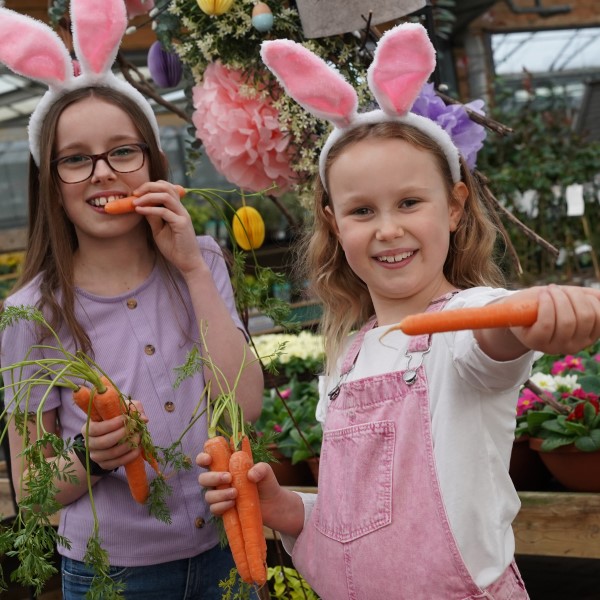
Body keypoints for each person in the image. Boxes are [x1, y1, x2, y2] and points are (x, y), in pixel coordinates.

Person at [197, 23, 600, 600]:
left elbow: (503, 330)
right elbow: (357, 523)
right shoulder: (352, 349)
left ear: (456, 206)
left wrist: (544, 311)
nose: (388, 229)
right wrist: (285, 508)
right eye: (362, 210)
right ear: (335, 225)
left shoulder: (468, 322)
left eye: (410, 202)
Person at [0, 1, 263, 599]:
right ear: (51, 182)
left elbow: (245, 405)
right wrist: (90, 457)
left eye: (123, 151)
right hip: (111, 576)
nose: (102, 173)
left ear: (152, 162)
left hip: (227, 547)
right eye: (75, 159)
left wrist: (193, 269)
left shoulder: (202, 262)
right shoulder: (32, 310)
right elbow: (31, 480)